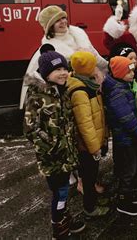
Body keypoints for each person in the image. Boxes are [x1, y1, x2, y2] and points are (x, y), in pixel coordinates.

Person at [23, 45, 85, 239]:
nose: (63, 73)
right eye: (58, 69)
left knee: (64, 190)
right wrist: (52, 147)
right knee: (61, 191)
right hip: (53, 158)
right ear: (46, 72)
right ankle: (58, 226)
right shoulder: (37, 96)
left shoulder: (60, 91)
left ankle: (64, 217)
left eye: (65, 69)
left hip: (66, 155)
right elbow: (30, 129)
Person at [20, 5, 108, 108]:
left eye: (63, 18)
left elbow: (96, 57)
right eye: (57, 20)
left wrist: (104, 69)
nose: (63, 22)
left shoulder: (79, 35)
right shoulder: (50, 49)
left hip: (94, 85)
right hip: (74, 93)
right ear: (50, 27)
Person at [67, 51, 110, 220]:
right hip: (87, 146)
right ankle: (90, 207)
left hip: (93, 143)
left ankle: (93, 198)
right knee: (88, 175)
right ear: (87, 69)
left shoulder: (89, 84)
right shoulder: (80, 91)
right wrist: (94, 148)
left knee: (91, 175)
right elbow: (85, 125)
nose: (96, 68)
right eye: (93, 66)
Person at [102, 56, 137, 216]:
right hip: (126, 137)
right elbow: (126, 117)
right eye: (129, 71)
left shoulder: (121, 86)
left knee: (130, 167)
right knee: (128, 169)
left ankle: (128, 193)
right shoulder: (117, 92)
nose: (132, 74)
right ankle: (123, 199)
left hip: (127, 137)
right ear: (119, 73)